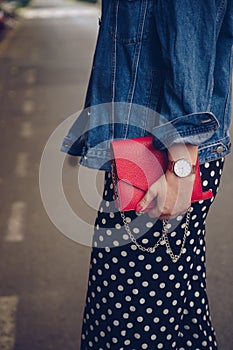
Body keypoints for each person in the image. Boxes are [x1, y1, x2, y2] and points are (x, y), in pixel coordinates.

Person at [61, 1, 233, 349]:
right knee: (178, 315)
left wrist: (180, 166)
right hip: (153, 151)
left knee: (131, 326)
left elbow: (192, 39)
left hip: (159, 158)